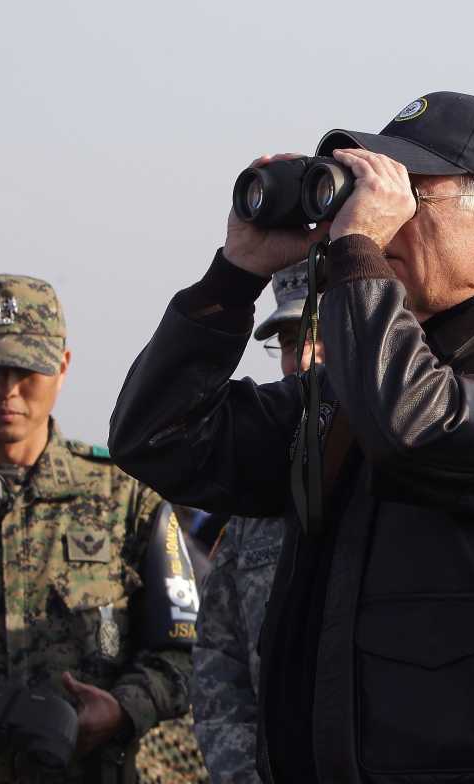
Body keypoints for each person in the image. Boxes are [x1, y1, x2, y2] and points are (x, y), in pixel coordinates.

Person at [109, 91, 474, 782]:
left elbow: (413, 427)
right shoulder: (356, 383)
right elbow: (159, 438)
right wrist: (236, 274)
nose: (379, 220)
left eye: (410, 195)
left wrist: (354, 253)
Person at [0, 275, 194, 783]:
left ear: (62, 365)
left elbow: (187, 650)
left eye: (26, 369)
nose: (7, 389)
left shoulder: (128, 498)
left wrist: (123, 709)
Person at [190, 261, 318, 783]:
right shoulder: (260, 495)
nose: (302, 360)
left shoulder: (419, 472)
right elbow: (219, 654)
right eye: (290, 342)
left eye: (324, 332)